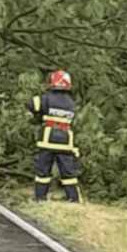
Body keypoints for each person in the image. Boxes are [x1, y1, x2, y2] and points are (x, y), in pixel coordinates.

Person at [25, 69, 82, 202]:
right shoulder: (71, 103)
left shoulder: (46, 98)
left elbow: (30, 104)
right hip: (65, 142)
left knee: (43, 171)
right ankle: (73, 198)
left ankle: (40, 197)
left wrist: (38, 117)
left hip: (47, 141)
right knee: (68, 173)